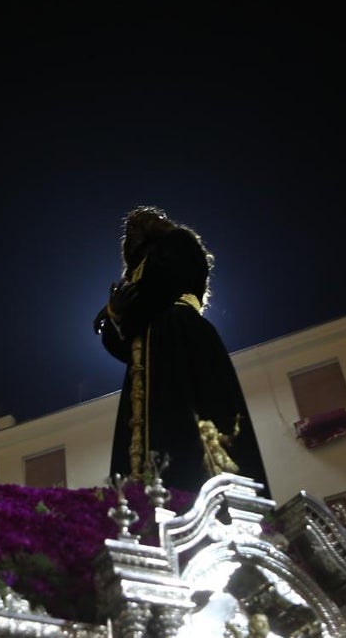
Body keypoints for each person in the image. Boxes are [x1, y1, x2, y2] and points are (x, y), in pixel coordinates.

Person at [93, 205, 271, 499]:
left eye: (140, 224)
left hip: (182, 338)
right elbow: (121, 343)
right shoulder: (131, 279)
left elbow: (159, 291)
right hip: (148, 360)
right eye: (129, 230)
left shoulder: (178, 244)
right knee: (155, 429)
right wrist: (114, 313)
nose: (133, 232)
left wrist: (116, 311)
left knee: (191, 420)